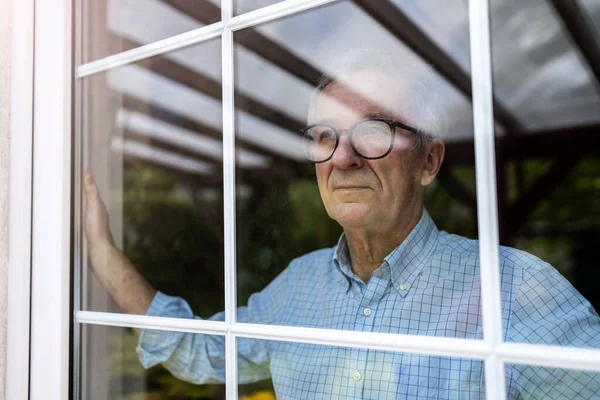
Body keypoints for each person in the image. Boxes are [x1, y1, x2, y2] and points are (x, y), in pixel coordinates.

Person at [84, 52, 600, 399]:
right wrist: (102, 251)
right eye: (325, 135)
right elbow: (199, 351)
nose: (344, 157)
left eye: (373, 130)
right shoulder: (296, 287)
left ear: (429, 161)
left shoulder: (513, 289)